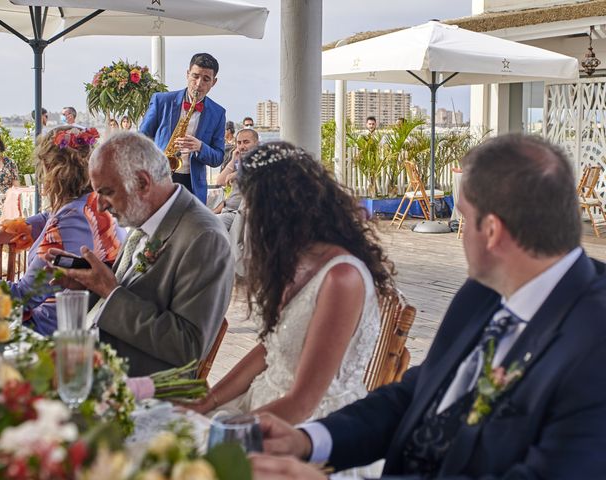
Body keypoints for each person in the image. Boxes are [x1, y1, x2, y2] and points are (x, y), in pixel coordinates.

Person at [251, 134, 606, 479]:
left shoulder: (593, 345)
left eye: (463, 218)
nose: (461, 233)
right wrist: (308, 440)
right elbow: (417, 393)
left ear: (493, 232)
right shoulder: (481, 292)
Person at [185, 142, 395, 434]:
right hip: (264, 399)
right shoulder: (295, 259)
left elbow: (303, 402)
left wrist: (222, 432)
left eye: (254, 208)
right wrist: (207, 403)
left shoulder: (342, 278)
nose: (250, 219)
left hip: (309, 425)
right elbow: (269, 349)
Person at [50, 131, 234, 376]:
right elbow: (134, 295)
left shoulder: (204, 237)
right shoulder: (145, 219)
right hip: (99, 366)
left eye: (106, 192)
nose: (101, 205)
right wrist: (90, 285)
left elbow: (188, 348)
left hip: (145, 390)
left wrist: (110, 291)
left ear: (143, 183)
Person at [0, 126, 125, 335]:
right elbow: (45, 218)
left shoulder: (70, 220)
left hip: (49, 331)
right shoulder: (94, 203)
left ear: (51, 169)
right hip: (82, 322)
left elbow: (23, 297)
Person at [140, 53, 226, 205]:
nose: (199, 84)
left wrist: (200, 147)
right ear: (187, 74)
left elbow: (218, 157)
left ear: (214, 82)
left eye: (206, 79)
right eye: (195, 76)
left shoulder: (218, 113)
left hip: (192, 185)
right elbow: (141, 139)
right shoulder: (162, 101)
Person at [213, 128, 259, 230]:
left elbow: (259, 172)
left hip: (240, 214)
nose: (242, 146)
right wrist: (234, 160)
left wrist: (238, 174)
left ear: (257, 143)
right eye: (239, 143)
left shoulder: (261, 161)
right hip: (226, 209)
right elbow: (220, 181)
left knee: (208, 225)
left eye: (246, 142)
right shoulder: (238, 162)